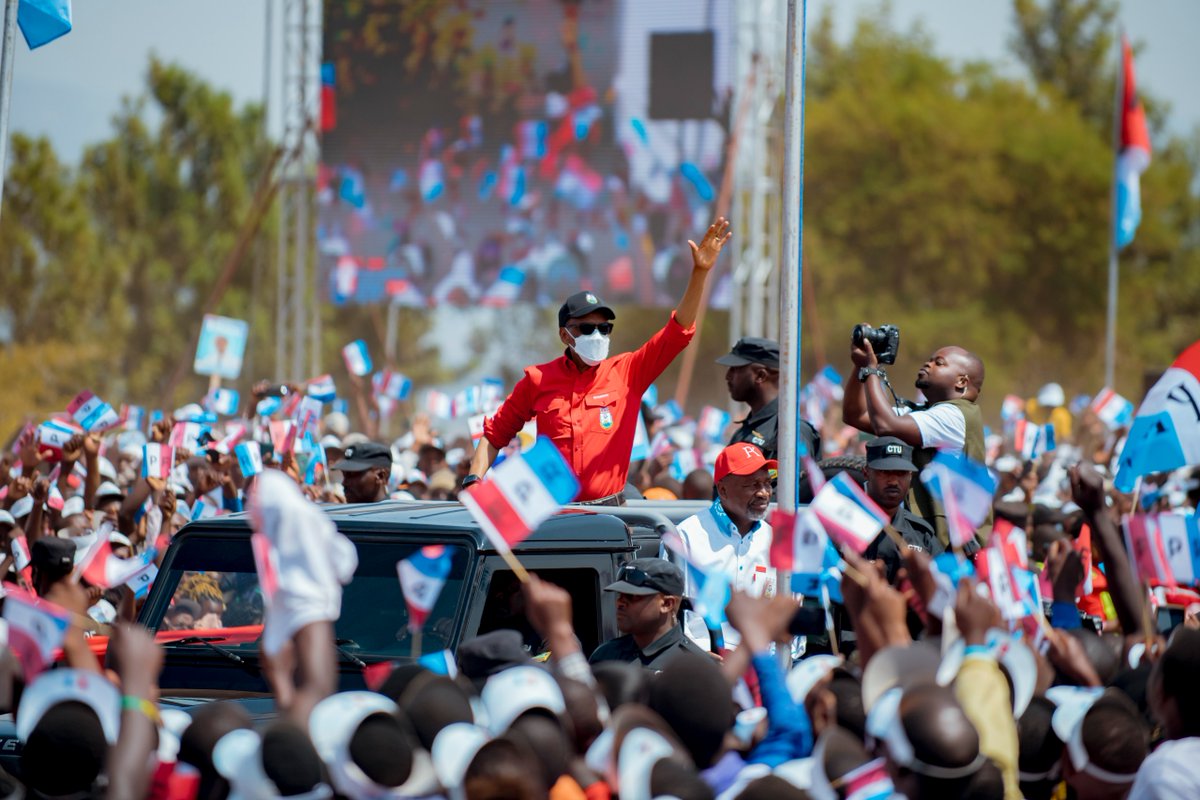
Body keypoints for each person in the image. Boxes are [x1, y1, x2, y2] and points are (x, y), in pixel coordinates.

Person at [465, 218, 733, 504]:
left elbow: (678, 333)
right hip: (554, 515)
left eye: (604, 328)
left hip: (610, 515)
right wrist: (473, 481)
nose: (597, 335)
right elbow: (494, 434)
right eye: (586, 328)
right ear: (565, 335)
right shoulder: (538, 379)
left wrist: (700, 273)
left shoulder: (628, 371)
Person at [842, 335, 988, 545]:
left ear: (962, 382)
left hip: (951, 549)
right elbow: (855, 415)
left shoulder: (956, 416)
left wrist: (872, 370)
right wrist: (860, 367)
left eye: (939, 363)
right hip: (929, 540)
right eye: (929, 360)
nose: (927, 364)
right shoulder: (928, 413)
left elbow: (885, 425)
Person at [671, 443, 776, 649]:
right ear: (723, 490)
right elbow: (668, 612)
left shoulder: (774, 540)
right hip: (700, 658)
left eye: (767, 483)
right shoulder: (686, 536)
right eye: (753, 485)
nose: (764, 493)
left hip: (763, 658)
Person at [589, 558, 708, 672]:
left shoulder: (695, 666)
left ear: (666, 604)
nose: (620, 603)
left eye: (632, 596)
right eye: (620, 595)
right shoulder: (605, 655)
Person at [717, 337, 820, 461]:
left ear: (760, 375)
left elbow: (800, 473)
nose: (728, 376)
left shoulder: (791, 432)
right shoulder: (741, 433)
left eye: (735, 369)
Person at [860, 437, 944, 580]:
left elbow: (943, 584)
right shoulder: (844, 526)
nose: (893, 481)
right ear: (866, 472)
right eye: (884, 472)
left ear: (910, 476)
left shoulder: (921, 535)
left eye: (901, 473)